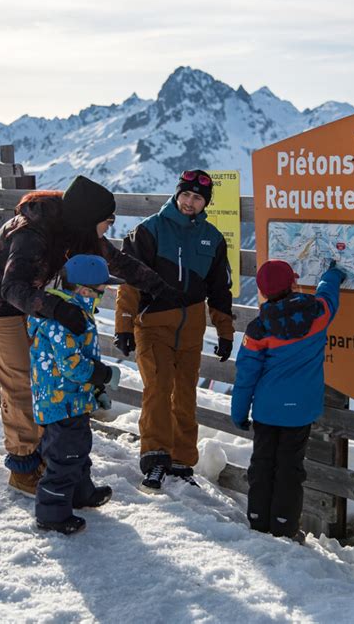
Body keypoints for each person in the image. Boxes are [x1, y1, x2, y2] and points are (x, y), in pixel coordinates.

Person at [0, 175, 183, 496]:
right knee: (20, 381)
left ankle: (46, 451)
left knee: (43, 374)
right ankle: (23, 465)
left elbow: (119, 262)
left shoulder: (78, 226)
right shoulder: (31, 234)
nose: (111, 225)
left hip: (35, 302)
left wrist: (159, 288)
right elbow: (12, 287)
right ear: (90, 218)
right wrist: (55, 307)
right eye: (108, 220)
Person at [114, 169, 234, 492]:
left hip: (191, 331)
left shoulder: (212, 239)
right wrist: (124, 325)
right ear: (177, 194)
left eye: (197, 198)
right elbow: (130, 281)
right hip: (153, 327)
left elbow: (220, 290)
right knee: (158, 388)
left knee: (185, 394)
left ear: (204, 202)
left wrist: (225, 332)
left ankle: (181, 462)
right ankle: (155, 460)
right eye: (186, 195)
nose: (189, 202)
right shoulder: (149, 231)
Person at [231, 258, 346, 543]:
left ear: (262, 292)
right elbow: (328, 295)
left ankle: (258, 519)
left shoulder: (258, 329)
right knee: (290, 469)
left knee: (262, 464)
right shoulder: (317, 313)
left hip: (267, 411)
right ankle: (284, 525)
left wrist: (238, 412)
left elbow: (245, 376)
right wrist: (332, 274)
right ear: (294, 284)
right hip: (300, 412)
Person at [28, 254, 119, 535]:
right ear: (83, 289)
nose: (104, 295)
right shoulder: (61, 319)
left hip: (73, 401)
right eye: (101, 290)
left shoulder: (75, 312)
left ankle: (81, 494)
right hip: (60, 402)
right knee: (64, 457)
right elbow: (72, 366)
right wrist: (103, 375)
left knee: (78, 449)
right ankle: (51, 515)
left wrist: (96, 390)